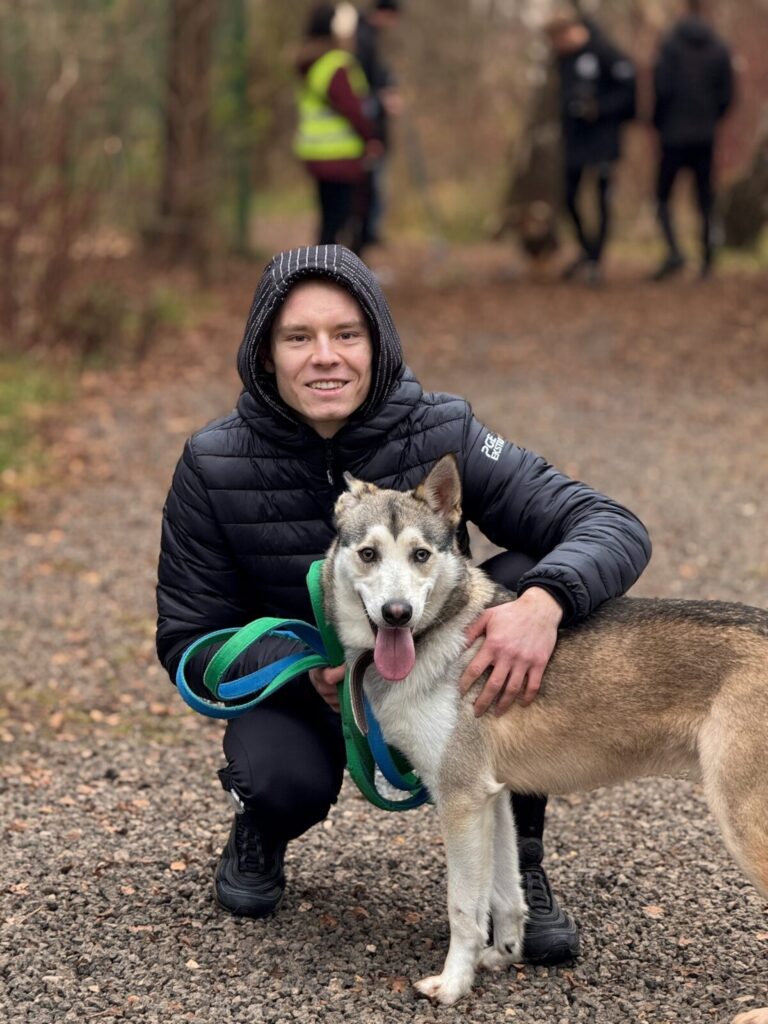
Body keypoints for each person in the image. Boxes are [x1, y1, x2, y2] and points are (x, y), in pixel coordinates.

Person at [156, 244, 652, 967]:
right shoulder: (213, 463)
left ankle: (521, 860)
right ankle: (262, 825)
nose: (325, 357)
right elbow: (190, 638)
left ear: (377, 343)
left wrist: (542, 606)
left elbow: (612, 526)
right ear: (266, 354)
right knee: (277, 777)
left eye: (346, 335)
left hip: (449, 680)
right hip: (315, 684)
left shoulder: (443, 431)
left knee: (516, 586)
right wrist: (312, 670)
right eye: (299, 338)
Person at [546, 8, 636, 284]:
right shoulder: (563, 59)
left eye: (558, 39)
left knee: (601, 199)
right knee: (569, 198)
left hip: (603, 139)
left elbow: (628, 93)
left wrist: (600, 108)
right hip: (576, 140)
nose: (557, 46)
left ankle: (596, 259)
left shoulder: (604, 51)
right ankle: (587, 250)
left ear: (571, 30)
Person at [651, 0, 734, 280]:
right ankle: (708, 259)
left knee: (662, 196)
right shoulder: (719, 48)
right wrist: (711, 120)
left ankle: (674, 251)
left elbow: (660, 89)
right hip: (705, 135)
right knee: (705, 199)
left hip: (673, 135)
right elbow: (727, 96)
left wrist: (659, 123)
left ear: (683, 11)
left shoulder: (670, 46)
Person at [293, 3, 383, 251]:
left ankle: (322, 272)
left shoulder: (314, 63)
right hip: (340, 155)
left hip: (315, 152)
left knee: (329, 219)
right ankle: (334, 276)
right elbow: (353, 109)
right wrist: (371, 137)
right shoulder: (337, 64)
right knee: (342, 221)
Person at [354, 0, 403, 248]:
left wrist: (388, 83)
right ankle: (362, 240)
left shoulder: (367, 36)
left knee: (370, 191)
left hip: (371, 130)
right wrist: (381, 96)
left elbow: (378, 73)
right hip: (367, 132)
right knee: (366, 192)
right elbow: (360, 86)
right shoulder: (362, 37)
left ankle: (366, 237)